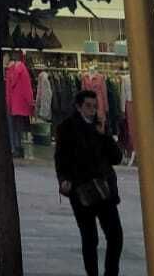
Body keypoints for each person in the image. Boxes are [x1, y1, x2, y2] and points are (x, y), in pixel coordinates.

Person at [55, 88, 124, 276]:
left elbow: (116, 157)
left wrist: (104, 135)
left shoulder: (100, 127)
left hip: (104, 190)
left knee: (116, 236)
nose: (92, 110)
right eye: (88, 106)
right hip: (81, 191)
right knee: (90, 238)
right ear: (79, 107)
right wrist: (64, 181)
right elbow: (61, 159)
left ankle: (111, 273)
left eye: (95, 107)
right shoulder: (66, 128)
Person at [5, 52, 35, 159]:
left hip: (12, 104)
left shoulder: (10, 72)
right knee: (17, 127)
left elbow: (8, 90)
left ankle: (15, 148)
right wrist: (30, 103)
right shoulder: (23, 70)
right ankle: (18, 148)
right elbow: (28, 89)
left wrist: (8, 104)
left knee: (12, 127)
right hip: (21, 104)